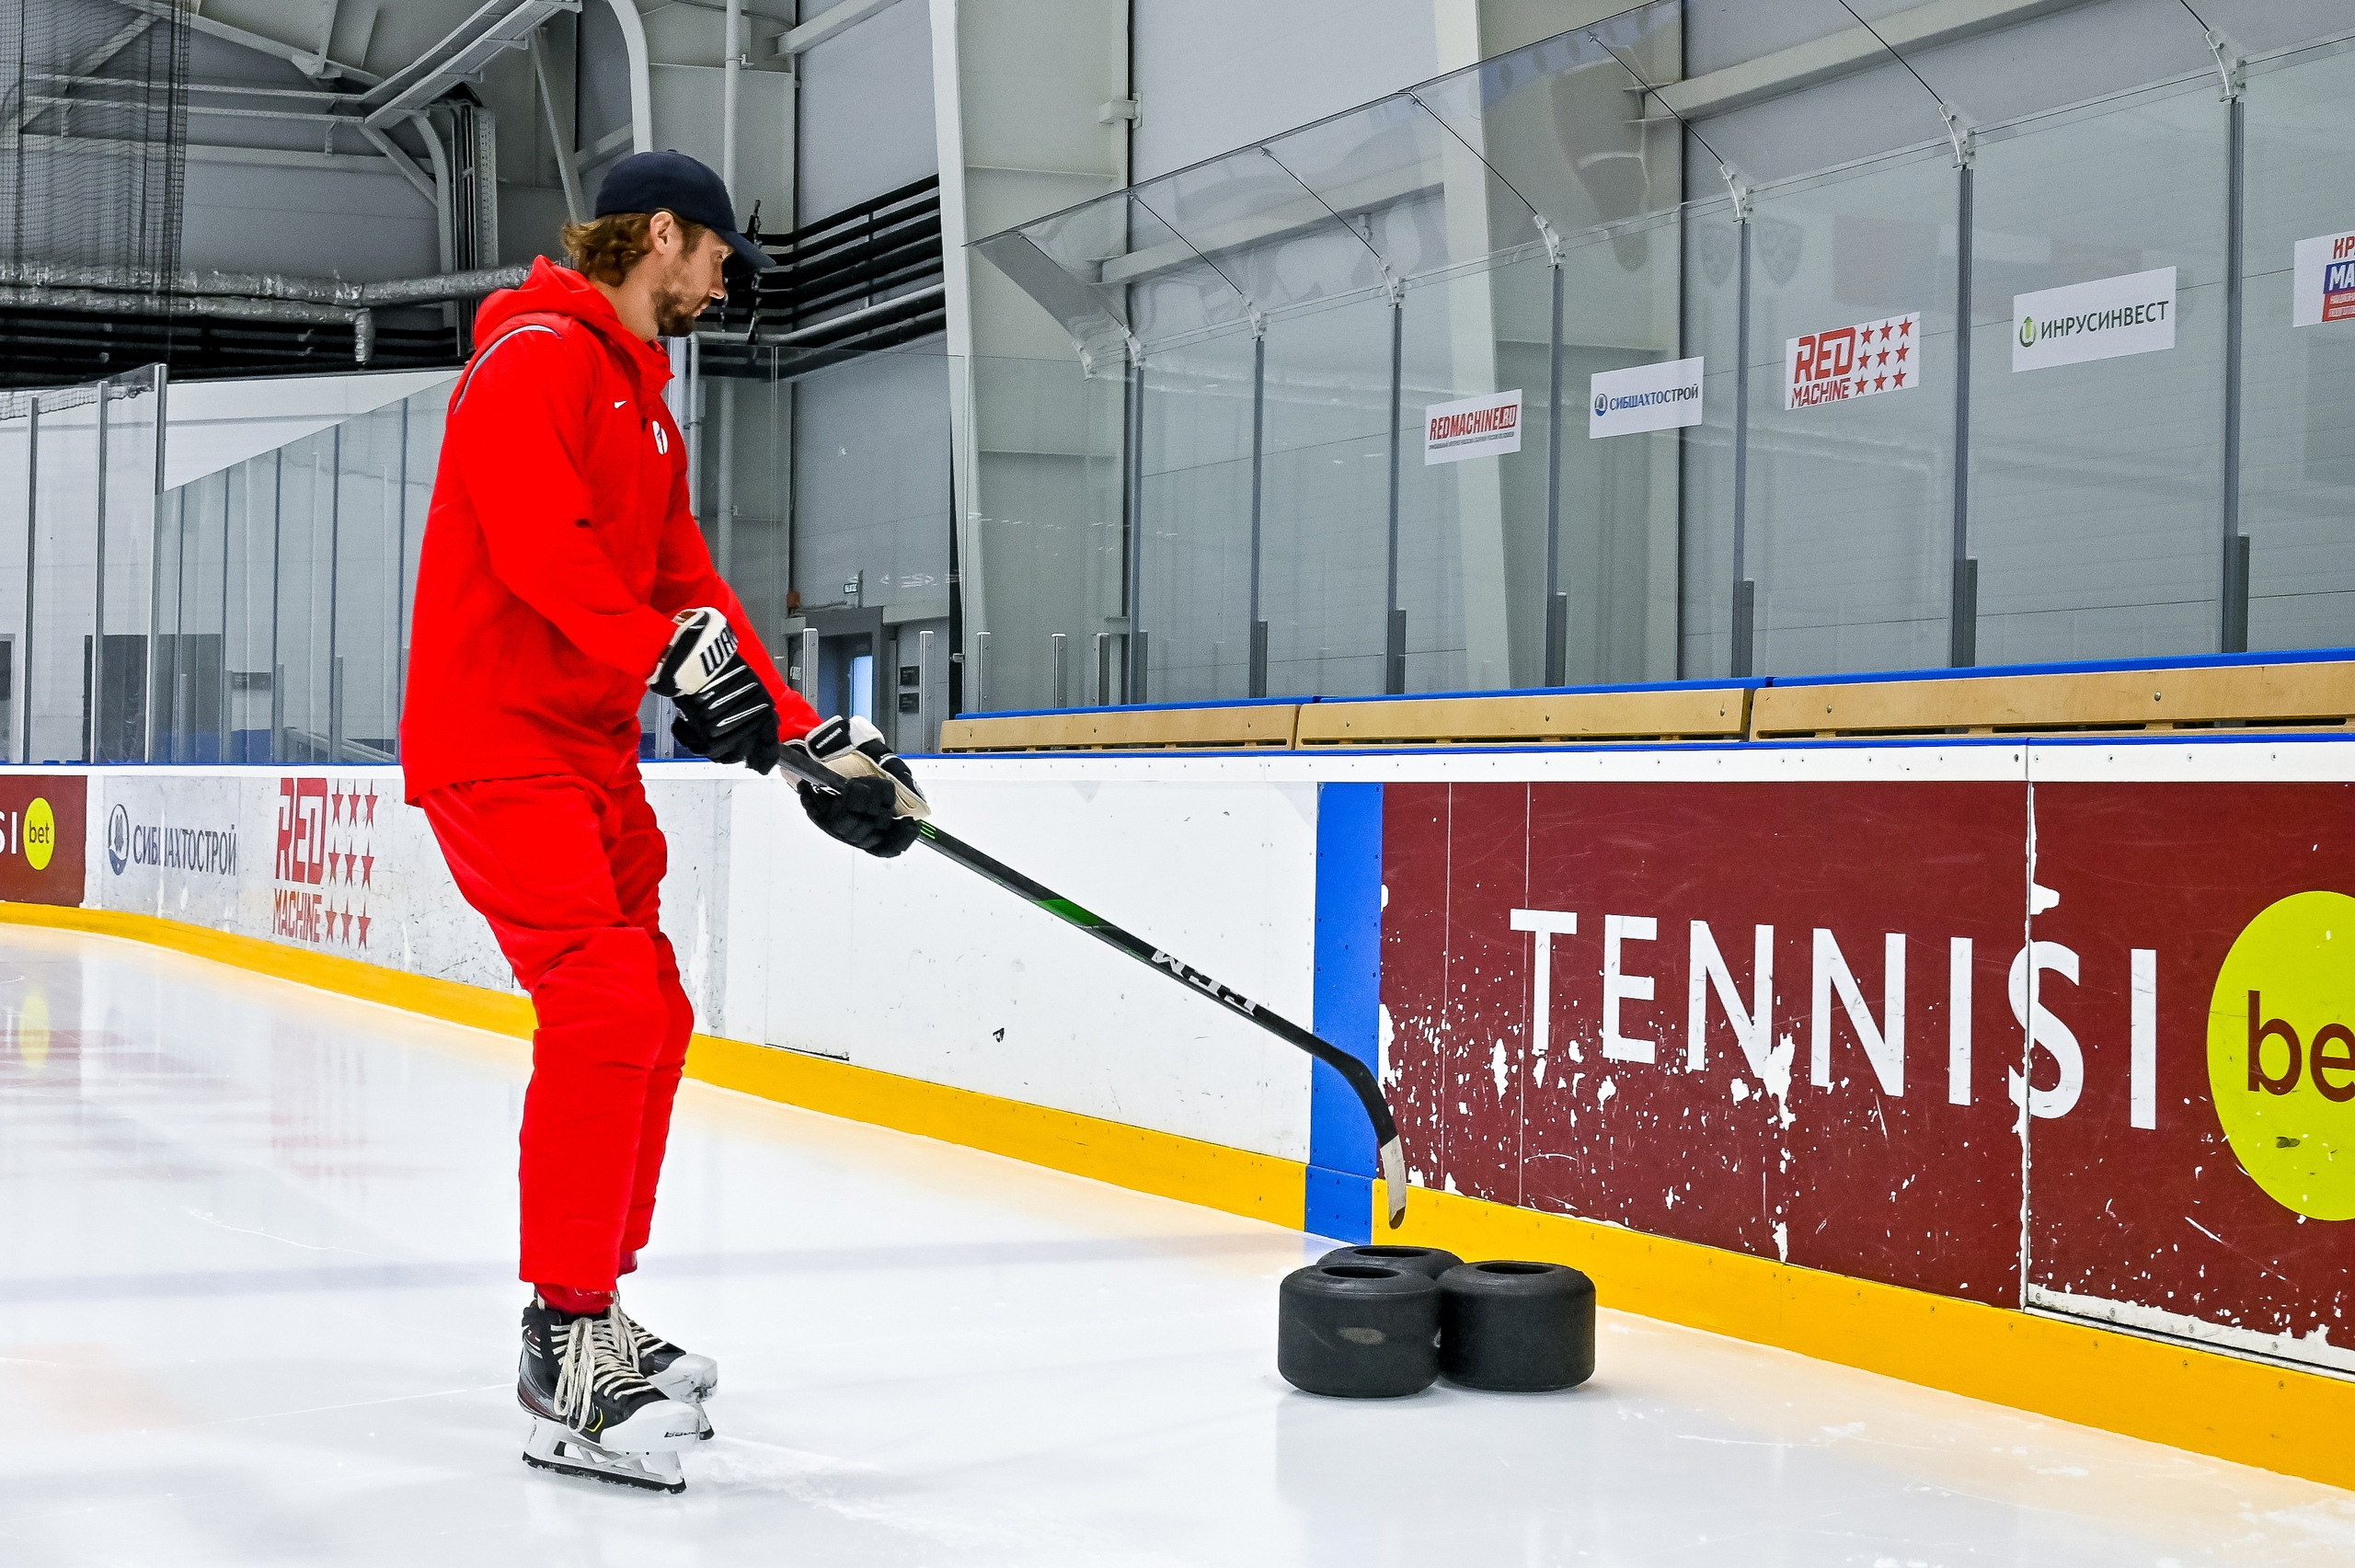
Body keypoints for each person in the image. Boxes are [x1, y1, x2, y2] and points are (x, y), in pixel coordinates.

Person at [399, 150, 924, 1494]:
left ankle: (590, 1308)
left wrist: (804, 736)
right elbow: (536, 544)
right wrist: (660, 658)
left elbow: (687, 587)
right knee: (604, 1001)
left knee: (655, 1007)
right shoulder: (531, 359)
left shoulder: (643, 400)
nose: (725, 284)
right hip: (498, 744)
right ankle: (564, 1342)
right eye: (719, 259)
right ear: (662, 235)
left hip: (585, 754)